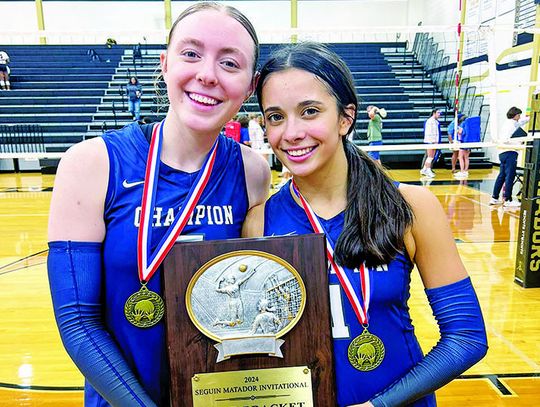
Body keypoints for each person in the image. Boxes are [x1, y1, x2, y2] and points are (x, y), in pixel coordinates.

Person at [47, 3, 270, 406]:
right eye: (191, 53)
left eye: (230, 63)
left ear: (250, 86)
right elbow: (78, 323)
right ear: (165, 64)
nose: (206, 74)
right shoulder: (91, 164)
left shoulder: (251, 171)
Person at [243, 42, 487, 407]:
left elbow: (466, 336)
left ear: (346, 118)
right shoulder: (259, 222)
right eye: (275, 117)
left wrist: (380, 405)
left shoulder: (411, 206)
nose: (291, 132)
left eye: (310, 111)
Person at [489, 106, 530, 208]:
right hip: (510, 152)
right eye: (519, 115)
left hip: (503, 153)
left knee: (501, 176)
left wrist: (530, 116)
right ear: (515, 115)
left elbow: (521, 122)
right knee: (509, 176)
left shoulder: (509, 123)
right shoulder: (511, 125)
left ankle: (494, 198)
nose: (520, 117)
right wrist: (519, 141)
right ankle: (508, 200)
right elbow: (506, 139)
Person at [420, 109, 442, 178]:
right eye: (438, 113)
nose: (439, 114)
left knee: (431, 157)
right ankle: (428, 170)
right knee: (430, 157)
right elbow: (429, 132)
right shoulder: (430, 121)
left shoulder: (436, 122)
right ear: (434, 113)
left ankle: (424, 169)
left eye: (440, 113)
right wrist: (433, 141)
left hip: (434, 141)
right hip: (430, 142)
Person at [447, 113, 467, 177]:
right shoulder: (453, 124)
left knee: (461, 155)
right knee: (455, 154)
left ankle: (463, 169)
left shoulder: (461, 123)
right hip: (454, 140)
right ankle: (453, 168)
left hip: (460, 140)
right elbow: (449, 133)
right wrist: (452, 142)